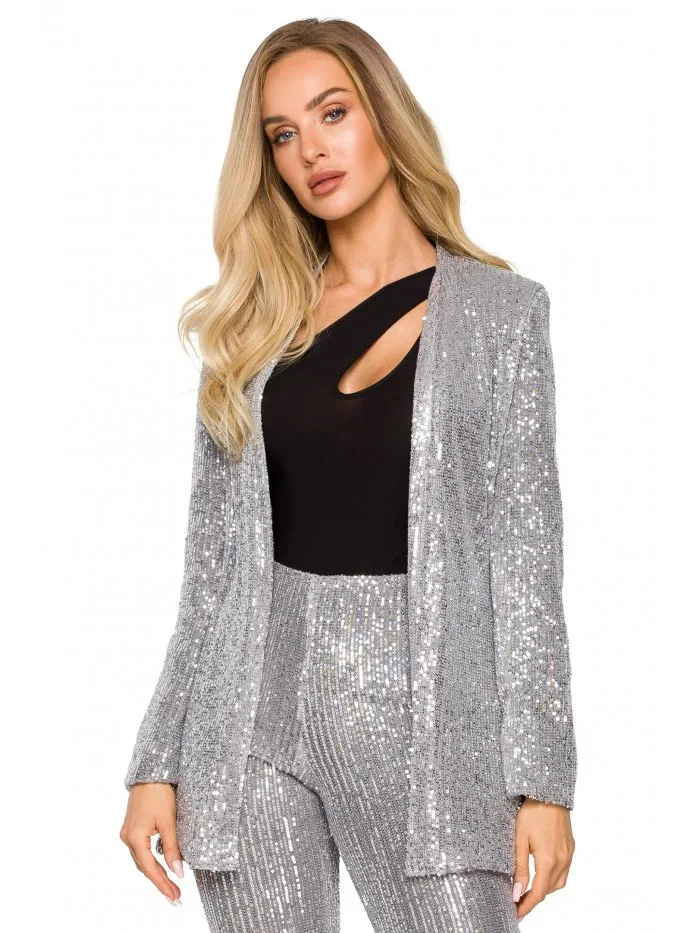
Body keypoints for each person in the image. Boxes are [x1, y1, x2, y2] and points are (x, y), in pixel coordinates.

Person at [120, 17, 577, 932]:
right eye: (282, 134)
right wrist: (156, 760)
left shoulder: (501, 315)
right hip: (247, 720)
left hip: (427, 717)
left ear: (384, 117)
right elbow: (211, 573)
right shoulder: (257, 325)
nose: (310, 151)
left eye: (332, 113)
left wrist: (544, 780)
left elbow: (526, 562)